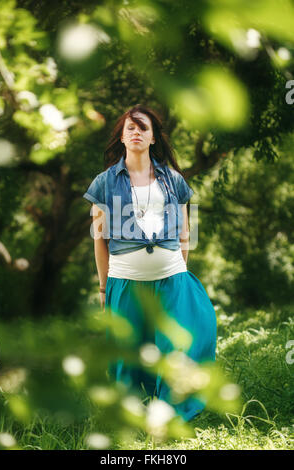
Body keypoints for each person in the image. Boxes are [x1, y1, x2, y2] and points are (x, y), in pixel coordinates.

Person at [83, 104, 217, 421]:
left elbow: (186, 234)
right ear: (122, 136)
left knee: (176, 349)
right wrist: (103, 290)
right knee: (129, 355)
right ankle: (131, 413)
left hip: (172, 280)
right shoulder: (103, 182)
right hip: (125, 282)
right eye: (130, 128)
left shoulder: (174, 180)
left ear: (154, 137)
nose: (137, 133)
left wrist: (177, 271)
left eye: (143, 128)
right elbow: (98, 241)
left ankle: (171, 416)